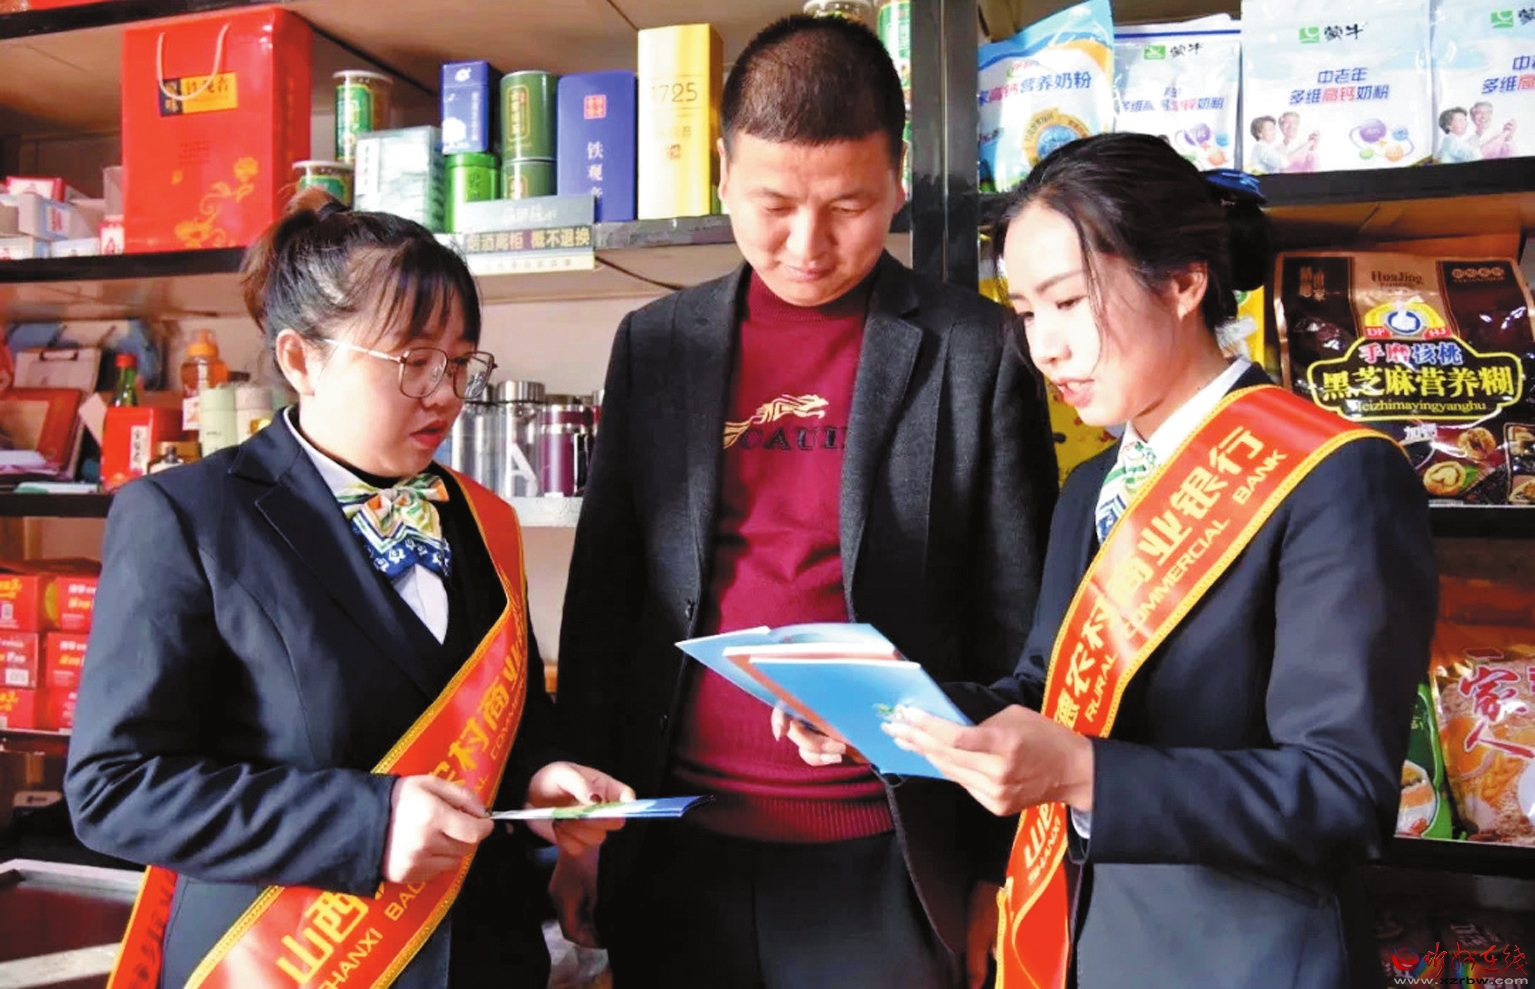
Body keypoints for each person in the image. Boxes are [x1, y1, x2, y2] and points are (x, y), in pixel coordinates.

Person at [790, 133, 1438, 989]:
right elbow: (1045, 692)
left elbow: (1340, 793)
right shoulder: (1091, 486)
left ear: (1182, 283)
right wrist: (881, 716)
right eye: (1027, 312)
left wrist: (1086, 773)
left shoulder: (1333, 477)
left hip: (1243, 960)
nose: (1045, 348)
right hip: (1083, 944)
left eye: (1068, 301)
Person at [553, 13, 1058, 989]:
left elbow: (1017, 629)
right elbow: (605, 598)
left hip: (892, 856)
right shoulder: (658, 343)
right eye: (773, 204)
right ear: (721, 176)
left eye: (848, 205)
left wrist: (995, 873)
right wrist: (583, 836)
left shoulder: (975, 350)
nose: (807, 244)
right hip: (676, 848)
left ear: (898, 182)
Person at [65, 190, 635, 989]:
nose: (444, 392)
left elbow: (507, 721)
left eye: (460, 362)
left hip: (483, 956)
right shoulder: (187, 516)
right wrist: (370, 823)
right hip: (283, 960)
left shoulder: (480, 518)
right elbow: (114, 788)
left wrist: (541, 780)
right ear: (302, 359)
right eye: (412, 359)